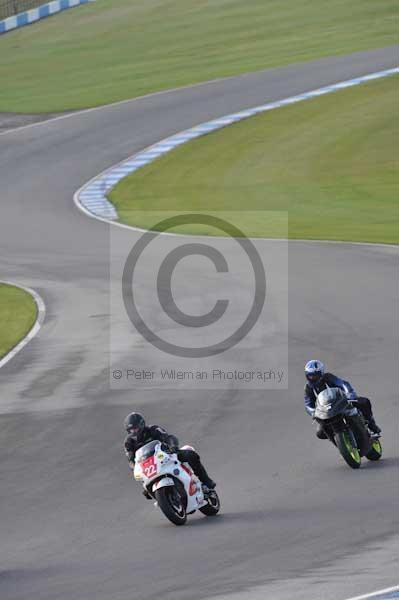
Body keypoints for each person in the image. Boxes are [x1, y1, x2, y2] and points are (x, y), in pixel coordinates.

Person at [123, 413, 216, 496]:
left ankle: (206, 481)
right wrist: (134, 467)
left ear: (142, 424)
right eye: (131, 430)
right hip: (149, 466)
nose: (134, 431)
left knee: (190, 454)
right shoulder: (128, 442)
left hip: (167, 455)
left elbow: (169, 437)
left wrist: (173, 446)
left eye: (136, 428)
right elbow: (130, 458)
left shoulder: (153, 429)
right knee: (146, 492)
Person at [304, 360, 381, 438]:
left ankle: (372, 426)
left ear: (321, 373)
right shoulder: (308, 388)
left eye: (315, 375)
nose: (312, 378)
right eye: (310, 375)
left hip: (339, 402)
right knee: (320, 433)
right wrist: (313, 412)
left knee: (364, 402)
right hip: (325, 412)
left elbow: (342, 384)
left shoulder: (328, 377)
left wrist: (350, 394)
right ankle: (337, 441)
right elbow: (308, 404)